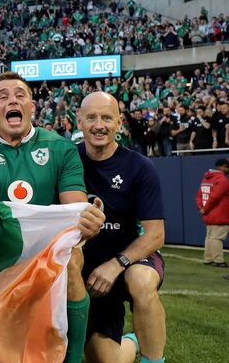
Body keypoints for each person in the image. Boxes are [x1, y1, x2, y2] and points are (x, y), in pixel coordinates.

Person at [0, 72, 105, 363]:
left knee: (73, 260)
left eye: (20, 95)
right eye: (3, 96)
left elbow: (75, 214)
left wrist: (88, 224)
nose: (13, 100)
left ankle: (72, 359)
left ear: (33, 106)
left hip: (49, 253)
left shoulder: (61, 149)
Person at [76, 92, 167, 363]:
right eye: (91, 117)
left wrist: (116, 264)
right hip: (86, 269)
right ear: (79, 121)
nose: (98, 125)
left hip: (130, 259)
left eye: (106, 117)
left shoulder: (140, 167)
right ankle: (131, 342)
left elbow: (156, 234)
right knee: (104, 360)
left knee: (139, 281)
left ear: (119, 122)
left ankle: (154, 360)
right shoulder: (67, 161)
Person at [195, 158, 229, 268]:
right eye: (227, 167)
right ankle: (218, 260)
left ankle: (208, 259)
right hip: (220, 213)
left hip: (208, 214)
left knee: (209, 237)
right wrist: (205, 208)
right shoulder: (222, 179)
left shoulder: (207, 178)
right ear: (222, 167)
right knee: (217, 238)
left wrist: (201, 208)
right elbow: (215, 197)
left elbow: (199, 195)